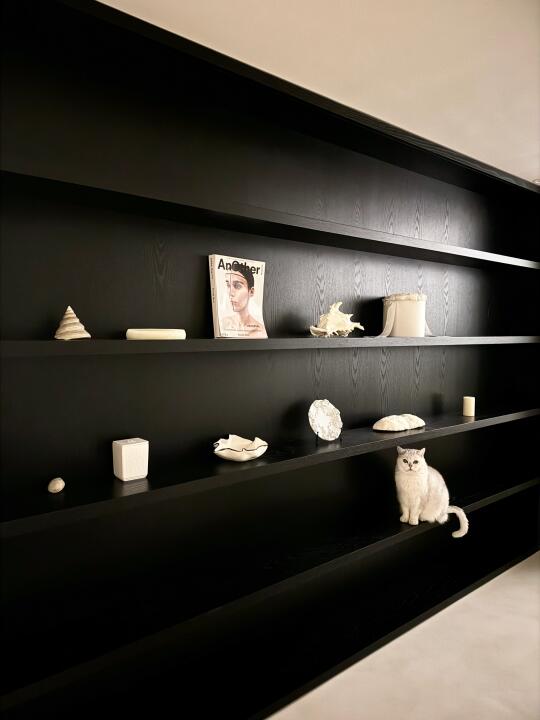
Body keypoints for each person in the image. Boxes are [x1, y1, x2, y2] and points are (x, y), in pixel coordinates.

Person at [221, 261, 267, 338]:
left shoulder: (259, 332)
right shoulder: (222, 323)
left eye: (237, 286)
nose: (230, 293)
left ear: (251, 292)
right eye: (228, 285)